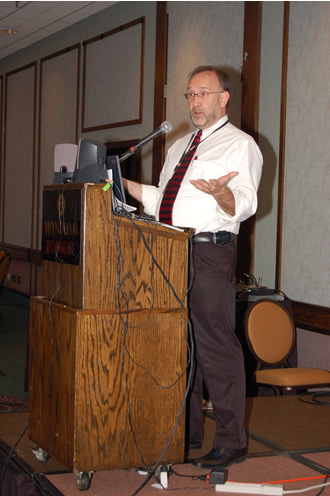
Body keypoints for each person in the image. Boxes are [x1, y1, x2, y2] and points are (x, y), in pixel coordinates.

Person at [122, 65, 263, 469]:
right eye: (190, 95)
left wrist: (223, 195)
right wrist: (123, 184)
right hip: (171, 251)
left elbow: (246, 203)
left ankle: (233, 439)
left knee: (215, 345)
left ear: (224, 98)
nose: (195, 102)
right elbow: (164, 201)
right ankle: (186, 433)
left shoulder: (240, 145)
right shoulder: (179, 146)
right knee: (179, 347)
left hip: (209, 252)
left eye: (203, 93)